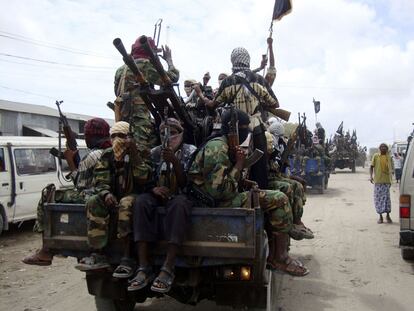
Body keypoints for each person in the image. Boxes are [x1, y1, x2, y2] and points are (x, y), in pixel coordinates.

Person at [188, 109, 309, 276]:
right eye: (245, 128)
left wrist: (244, 181)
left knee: (267, 192)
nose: (247, 132)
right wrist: (239, 165)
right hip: (212, 201)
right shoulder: (217, 148)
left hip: (216, 197)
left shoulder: (224, 144)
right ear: (236, 129)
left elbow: (222, 179)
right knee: (279, 199)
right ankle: (279, 258)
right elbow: (219, 192)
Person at [22, 118, 111, 266]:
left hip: (90, 195)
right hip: (100, 193)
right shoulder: (108, 151)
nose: (86, 138)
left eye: (87, 135)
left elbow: (79, 185)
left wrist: (70, 161)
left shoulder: (94, 155)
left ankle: (46, 249)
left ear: (92, 136)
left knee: (48, 193)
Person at [129, 118, 196, 293]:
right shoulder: (154, 152)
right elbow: (147, 179)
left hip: (180, 195)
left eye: (173, 133)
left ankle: (168, 267)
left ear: (181, 133)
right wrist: (153, 189)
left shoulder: (191, 151)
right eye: (164, 133)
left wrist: (174, 161)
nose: (169, 137)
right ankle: (143, 267)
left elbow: (187, 184)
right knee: (141, 202)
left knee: (179, 205)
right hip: (160, 195)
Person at [198, 47, 280, 189]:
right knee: (261, 167)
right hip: (256, 128)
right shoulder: (259, 79)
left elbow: (212, 104)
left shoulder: (228, 82)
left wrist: (199, 94)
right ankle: (261, 194)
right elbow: (275, 103)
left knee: (233, 162)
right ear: (247, 60)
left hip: (235, 130)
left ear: (233, 60)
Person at [75, 121, 145, 276]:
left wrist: (134, 155)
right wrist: (106, 193)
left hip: (137, 195)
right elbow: (100, 180)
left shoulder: (140, 152)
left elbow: (144, 179)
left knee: (126, 203)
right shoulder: (107, 155)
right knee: (93, 200)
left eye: (122, 136)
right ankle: (98, 252)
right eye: (113, 136)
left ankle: (127, 256)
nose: (117, 140)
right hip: (113, 195)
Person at [114, 35, 179, 185]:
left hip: (121, 118)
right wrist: (169, 60)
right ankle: (144, 186)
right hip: (139, 119)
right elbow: (171, 78)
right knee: (142, 154)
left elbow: (116, 92)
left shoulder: (120, 70)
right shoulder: (144, 64)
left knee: (122, 151)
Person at [266, 120, 313, 240]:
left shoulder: (281, 144)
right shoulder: (267, 141)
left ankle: (296, 220)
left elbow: (281, 167)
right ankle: (289, 222)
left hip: (276, 175)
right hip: (268, 178)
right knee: (288, 187)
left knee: (298, 185)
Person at [370, 143, 393, 224]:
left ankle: (388, 215)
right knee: (378, 199)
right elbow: (371, 166)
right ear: (379, 148)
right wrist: (371, 176)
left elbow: (392, 169)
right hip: (378, 181)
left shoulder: (389, 157)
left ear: (387, 149)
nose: (383, 148)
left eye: (385, 147)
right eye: (381, 147)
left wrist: (392, 179)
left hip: (386, 181)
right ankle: (380, 217)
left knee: (387, 199)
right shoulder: (376, 156)